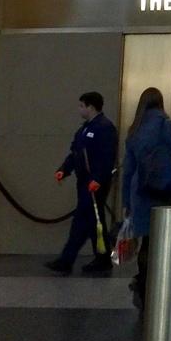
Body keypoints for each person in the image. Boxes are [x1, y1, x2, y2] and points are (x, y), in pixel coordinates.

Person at [123, 87, 171, 310]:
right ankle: (155, 288)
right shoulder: (165, 124)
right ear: (160, 103)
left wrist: (126, 202)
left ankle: (143, 285)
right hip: (163, 188)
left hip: (140, 190)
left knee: (146, 241)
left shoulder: (134, 129)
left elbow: (128, 169)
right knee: (161, 241)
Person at [46, 91, 118, 276]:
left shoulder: (104, 128)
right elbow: (75, 154)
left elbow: (107, 157)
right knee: (93, 221)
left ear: (90, 107)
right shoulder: (84, 130)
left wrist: (98, 179)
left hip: (94, 184)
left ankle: (67, 260)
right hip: (84, 182)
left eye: (81, 106)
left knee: (82, 220)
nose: (79, 109)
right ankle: (102, 258)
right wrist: (64, 169)